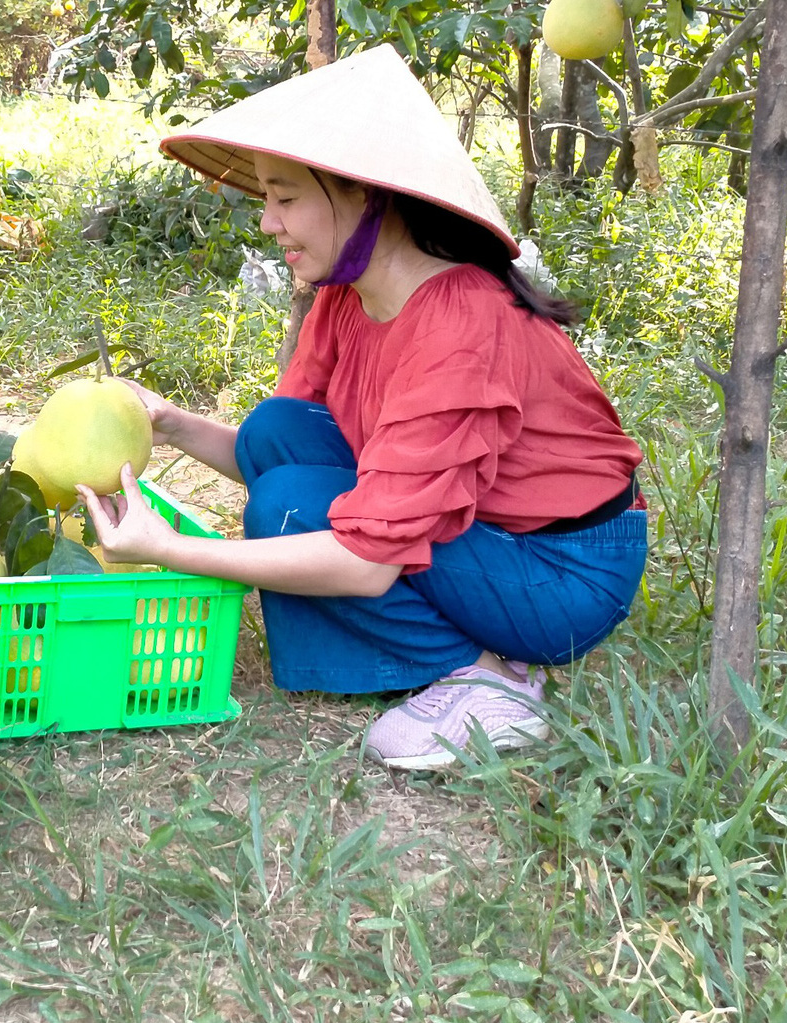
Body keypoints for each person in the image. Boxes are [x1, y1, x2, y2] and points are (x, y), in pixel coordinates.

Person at [73, 46, 648, 771]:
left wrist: (171, 550)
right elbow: (277, 449)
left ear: (365, 196)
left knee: (291, 508)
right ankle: (457, 654)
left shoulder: (460, 324)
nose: (268, 223)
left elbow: (365, 559)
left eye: (285, 199)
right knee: (278, 434)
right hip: (486, 530)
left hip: (558, 571)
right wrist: (173, 423)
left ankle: (490, 676)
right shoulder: (348, 294)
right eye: (267, 201)